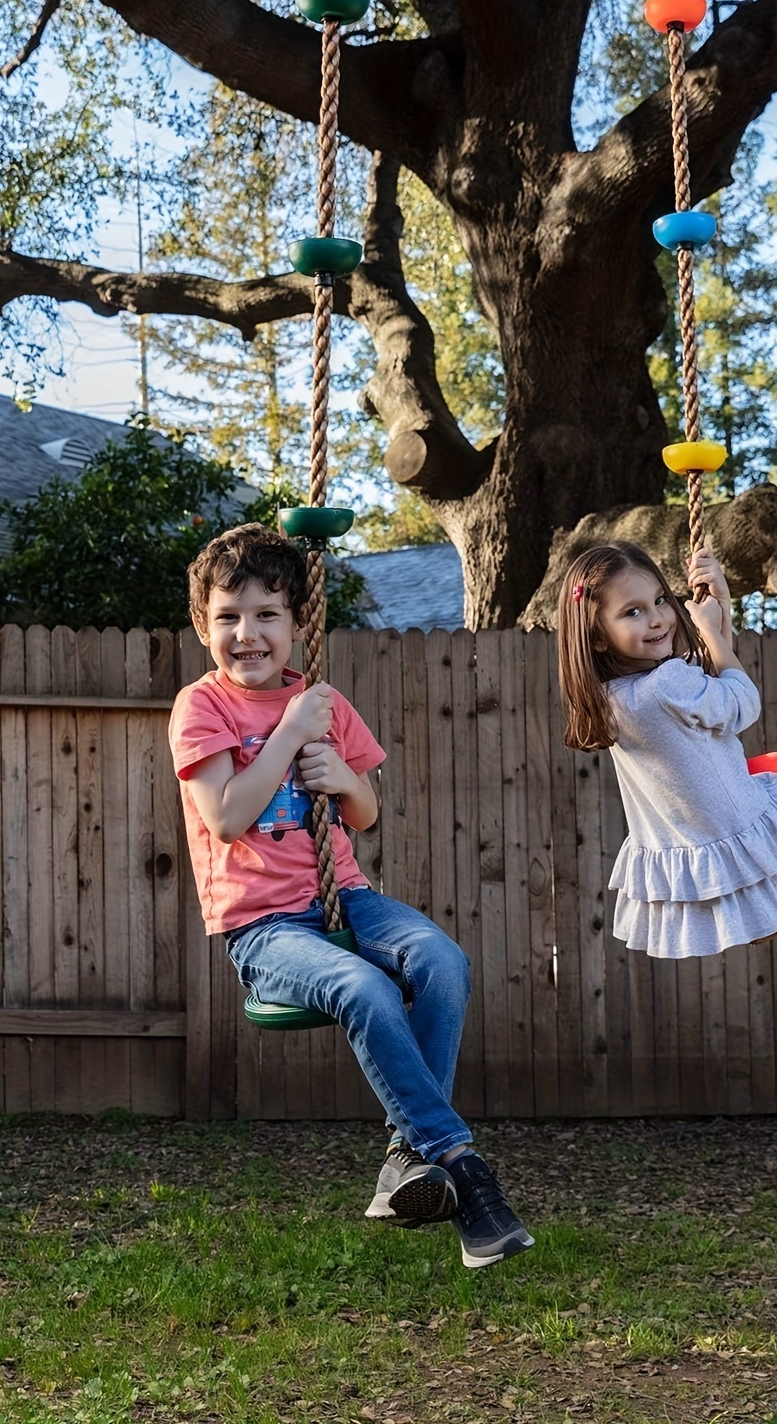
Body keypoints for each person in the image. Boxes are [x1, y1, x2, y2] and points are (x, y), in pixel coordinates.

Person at [169, 522, 533, 1268]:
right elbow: (228, 817)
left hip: (346, 899)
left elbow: (364, 812)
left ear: (299, 623)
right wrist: (289, 734)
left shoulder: (321, 699)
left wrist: (343, 779)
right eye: (229, 617)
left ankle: (408, 1154)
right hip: (263, 928)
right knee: (363, 989)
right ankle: (462, 1167)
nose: (248, 633)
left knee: (442, 962)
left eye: (268, 614)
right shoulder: (200, 708)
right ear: (203, 625)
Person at [555, 539, 777, 960]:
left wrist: (720, 606)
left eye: (660, 601)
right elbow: (741, 704)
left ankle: (759, 911)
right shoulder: (669, 684)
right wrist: (710, 627)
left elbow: (706, 678)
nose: (657, 620)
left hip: (693, 850)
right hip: (740, 832)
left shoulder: (611, 699)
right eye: (633, 612)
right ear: (597, 636)